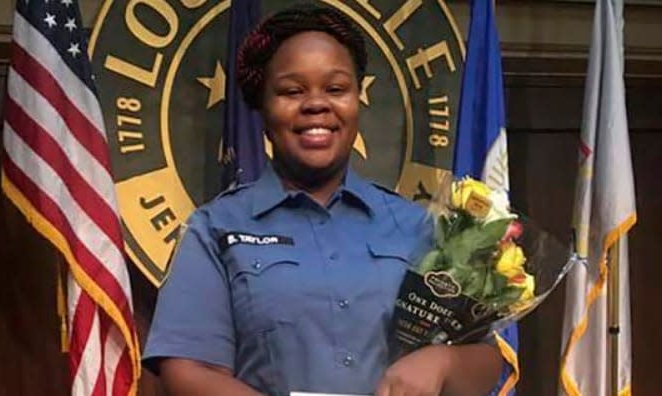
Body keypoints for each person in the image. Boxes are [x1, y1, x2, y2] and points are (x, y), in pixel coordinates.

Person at [143, 4, 502, 396]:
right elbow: (187, 370)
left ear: (357, 98)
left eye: (336, 88)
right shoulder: (215, 229)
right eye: (291, 91)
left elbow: (483, 362)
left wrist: (442, 362)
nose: (316, 104)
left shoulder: (416, 227)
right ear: (262, 107)